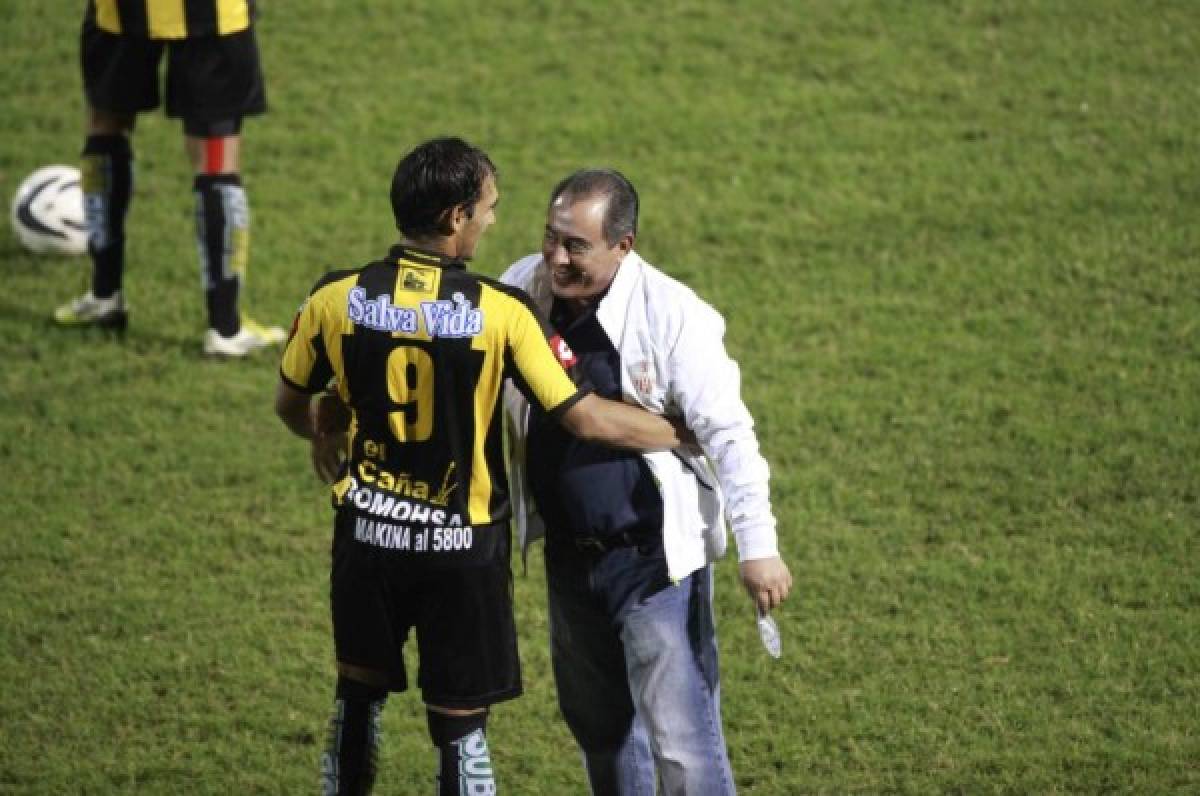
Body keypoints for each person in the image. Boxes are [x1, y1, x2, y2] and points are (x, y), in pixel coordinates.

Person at [274, 138, 689, 795]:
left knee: (356, 705)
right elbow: (585, 418)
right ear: (455, 218)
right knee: (462, 737)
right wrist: (682, 432)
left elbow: (290, 404)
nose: (494, 220)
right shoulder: (500, 310)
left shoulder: (336, 298)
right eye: (488, 208)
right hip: (461, 553)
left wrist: (328, 424)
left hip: (366, 542)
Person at [501, 168, 793, 795]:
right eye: (551, 237)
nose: (555, 256)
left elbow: (731, 435)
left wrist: (759, 548)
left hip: (653, 562)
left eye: (576, 246)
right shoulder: (520, 289)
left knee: (683, 741)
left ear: (622, 245)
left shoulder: (674, 315)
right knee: (600, 731)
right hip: (568, 559)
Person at [53, 0, 284, 357]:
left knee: (105, 124)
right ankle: (225, 329)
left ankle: (103, 296)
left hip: (120, 11)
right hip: (212, 15)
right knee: (216, 157)